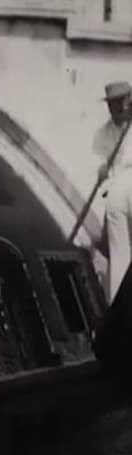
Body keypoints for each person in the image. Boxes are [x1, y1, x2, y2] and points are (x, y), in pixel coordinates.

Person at [96, 82, 132, 302]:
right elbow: (99, 171)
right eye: (113, 105)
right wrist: (102, 170)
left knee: (121, 255)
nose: (117, 109)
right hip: (118, 190)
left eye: (120, 103)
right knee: (120, 256)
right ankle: (120, 305)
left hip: (124, 186)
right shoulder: (103, 133)